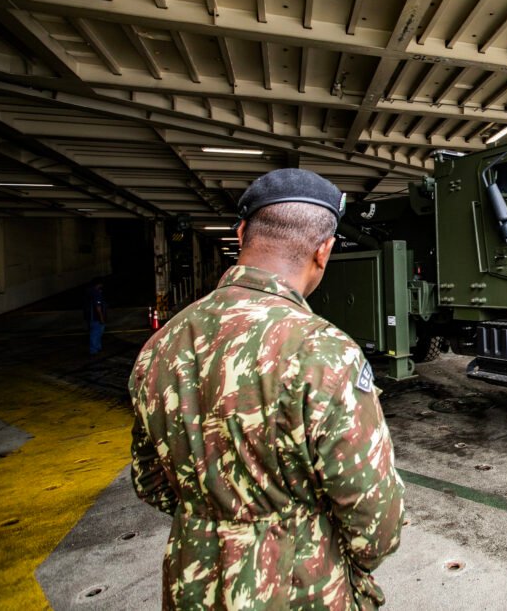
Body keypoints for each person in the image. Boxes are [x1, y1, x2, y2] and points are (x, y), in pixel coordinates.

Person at [128, 169, 404, 610]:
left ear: (241, 233)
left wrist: (215, 521)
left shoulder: (161, 345)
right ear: (324, 250)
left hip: (192, 586)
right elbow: (375, 522)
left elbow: (150, 482)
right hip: (302, 589)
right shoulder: (324, 352)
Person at [85, 277, 106, 354]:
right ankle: (94, 349)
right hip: (96, 317)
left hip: (91, 317)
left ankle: (97, 347)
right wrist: (101, 318)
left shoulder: (89, 292)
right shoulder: (96, 293)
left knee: (96, 332)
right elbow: (98, 307)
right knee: (96, 332)